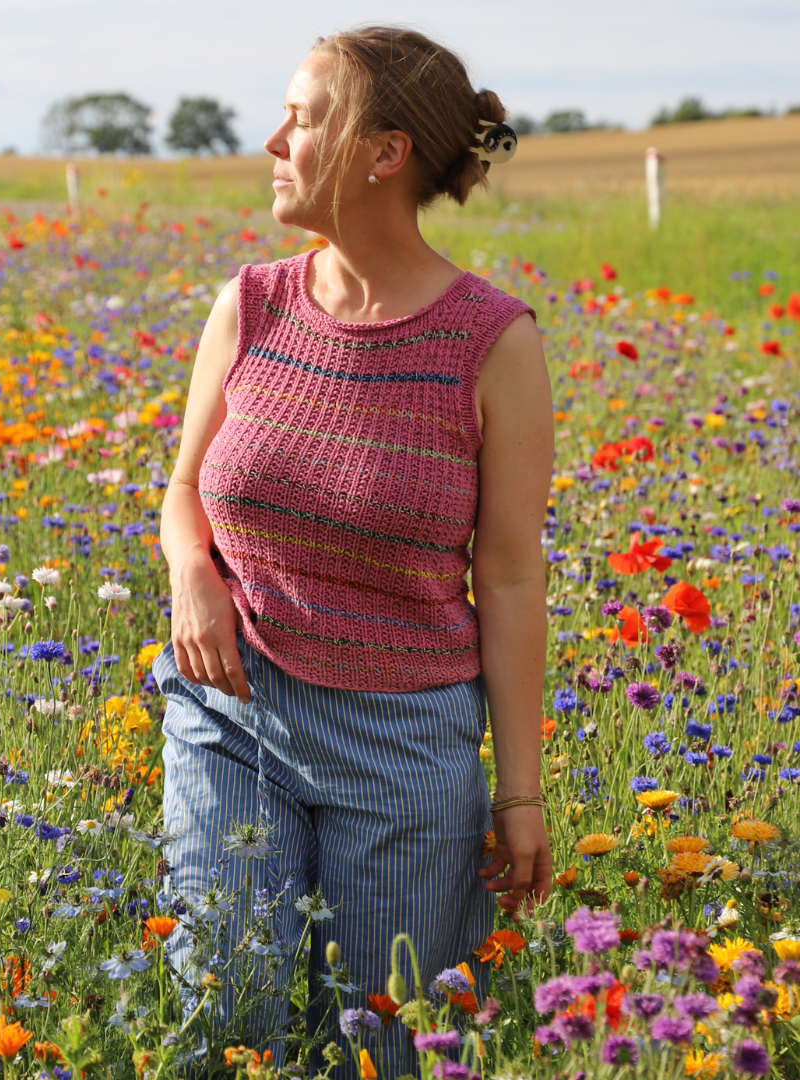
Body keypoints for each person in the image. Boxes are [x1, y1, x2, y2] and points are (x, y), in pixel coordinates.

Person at [154, 25, 554, 1076]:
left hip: (403, 748)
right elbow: (185, 485)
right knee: (223, 1010)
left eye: (305, 117)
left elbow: (509, 577)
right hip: (230, 712)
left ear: (384, 153)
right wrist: (192, 573)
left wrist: (520, 793)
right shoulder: (250, 305)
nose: (274, 140)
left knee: (393, 1040)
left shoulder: (492, 343)